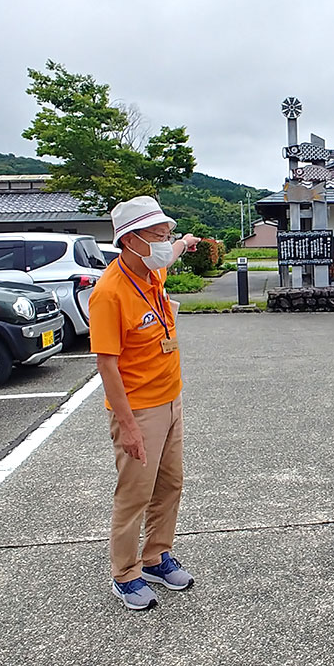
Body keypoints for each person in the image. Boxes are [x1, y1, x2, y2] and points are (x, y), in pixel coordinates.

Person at [89, 195, 200, 611]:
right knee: (135, 492)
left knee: (170, 484)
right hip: (138, 409)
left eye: (166, 234)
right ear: (131, 240)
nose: (163, 242)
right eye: (158, 235)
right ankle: (125, 574)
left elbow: (169, 254)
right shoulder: (110, 293)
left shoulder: (151, 271)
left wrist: (185, 242)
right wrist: (129, 426)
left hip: (171, 399)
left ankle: (155, 556)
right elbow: (107, 365)